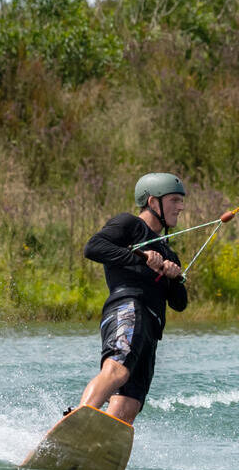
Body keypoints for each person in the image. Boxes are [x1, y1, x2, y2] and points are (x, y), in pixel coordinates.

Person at [76, 173, 188, 423]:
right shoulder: (130, 225)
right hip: (128, 308)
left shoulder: (169, 253)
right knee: (117, 369)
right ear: (152, 201)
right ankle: (80, 419)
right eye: (174, 200)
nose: (180, 207)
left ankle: (95, 445)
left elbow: (179, 304)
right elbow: (93, 248)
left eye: (181, 201)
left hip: (151, 329)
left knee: (129, 403)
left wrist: (173, 276)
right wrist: (142, 257)